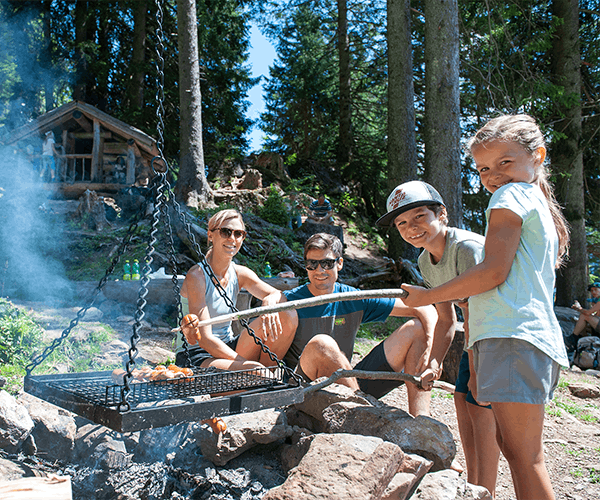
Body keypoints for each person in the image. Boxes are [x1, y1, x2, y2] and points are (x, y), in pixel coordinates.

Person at [401, 114, 570, 500]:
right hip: (519, 336)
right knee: (517, 452)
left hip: (513, 334)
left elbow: (493, 272)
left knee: (525, 457)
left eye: (504, 162)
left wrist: (426, 297)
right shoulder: (534, 201)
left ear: (538, 156)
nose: (493, 176)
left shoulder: (510, 197)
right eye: (483, 169)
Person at [376, 180, 500, 496]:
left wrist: (477, 369)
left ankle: (487, 489)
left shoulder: (467, 249)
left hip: (499, 337)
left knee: (482, 410)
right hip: (477, 338)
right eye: (402, 223)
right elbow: (447, 318)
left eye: (419, 216)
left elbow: (479, 311)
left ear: (441, 213)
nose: (411, 227)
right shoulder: (424, 261)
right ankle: (474, 487)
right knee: (462, 401)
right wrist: (434, 361)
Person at [283, 232, 441, 417]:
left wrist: (432, 349)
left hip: (347, 383)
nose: (319, 270)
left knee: (417, 328)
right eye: (312, 264)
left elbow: (423, 307)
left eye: (327, 263)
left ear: (339, 263)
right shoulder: (290, 301)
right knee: (322, 344)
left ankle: (421, 420)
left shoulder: (353, 298)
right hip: (303, 387)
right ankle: (361, 413)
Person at [177, 209, 297, 370]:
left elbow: (277, 294)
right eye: (226, 232)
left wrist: (269, 299)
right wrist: (245, 363)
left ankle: (270, 371)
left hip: (229, 346)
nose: (232, 238)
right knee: (256, 373)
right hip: (198, 354)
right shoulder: (197, 276)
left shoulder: (240, 273)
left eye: (238, 233)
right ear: (210, 235)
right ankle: (261, 374)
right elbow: (204, 339)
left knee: (288, 313)